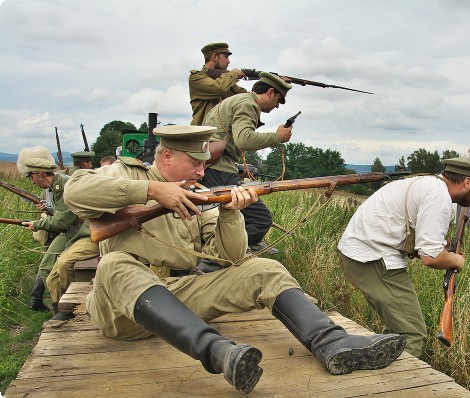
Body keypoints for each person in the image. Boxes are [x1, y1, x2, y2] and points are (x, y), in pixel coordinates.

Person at [64, 125, 405, 394]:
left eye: (205, 163)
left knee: (264, 269)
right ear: (167, 156)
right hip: (122, 310)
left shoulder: (199, 195)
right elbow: (75, 192)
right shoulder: (128, 176)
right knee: (114, 264)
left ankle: (332, 343)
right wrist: (153, 192)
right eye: (195, 162)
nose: (202, 170)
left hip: (178, 294)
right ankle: (220, 354)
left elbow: (230, 257)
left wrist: (230, 213)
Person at [337, 157, 470, 359]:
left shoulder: (430, 186)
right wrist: (456, 260)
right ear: (467, 182)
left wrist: (443, 253)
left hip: (363, 253)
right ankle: (397, 387)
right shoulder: (438, 197)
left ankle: (382, 375)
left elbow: (423, 243)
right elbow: (430, 257)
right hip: (371, 258)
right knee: (411, 333)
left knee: (398, 328)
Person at [202, 72, 293, 255]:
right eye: (278, 100)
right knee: (261, 219)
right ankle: (221, 254)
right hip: (218, 170)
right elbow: (243, 140)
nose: (277, 106)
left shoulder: (240, 100)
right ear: (269, 92)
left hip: (213, 167)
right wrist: (277, 137)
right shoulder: (248, 104)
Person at [16, 147, 94, 315]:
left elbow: (63, 220)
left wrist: (37, 224)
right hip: (70, 231)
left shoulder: (62, 185)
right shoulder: (55, 186)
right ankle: (58, 307)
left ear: (39, 174)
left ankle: (68, 307)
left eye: (31, 177)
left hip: (81, 231)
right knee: (45, 268)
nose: (32, 182)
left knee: (63, 266)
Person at [189, 42, 247, 125]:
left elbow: (243, 96)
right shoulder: (196, 77)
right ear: (214, 57)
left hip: (223, 134)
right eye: (226, 57)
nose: (228, 61)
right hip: (203, 134)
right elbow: (218, 88)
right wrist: (233, 74)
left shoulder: (225, 80)